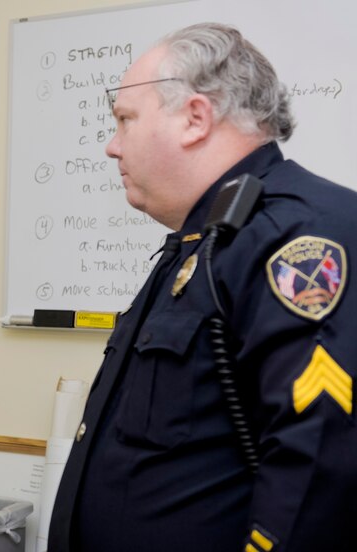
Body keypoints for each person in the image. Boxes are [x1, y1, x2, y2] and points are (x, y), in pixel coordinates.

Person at [48, 23, 357, 551]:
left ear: (195, 118)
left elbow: (319, 464)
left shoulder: (302, 236)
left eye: (125, 121)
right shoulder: (206, 239)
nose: (111, 146)